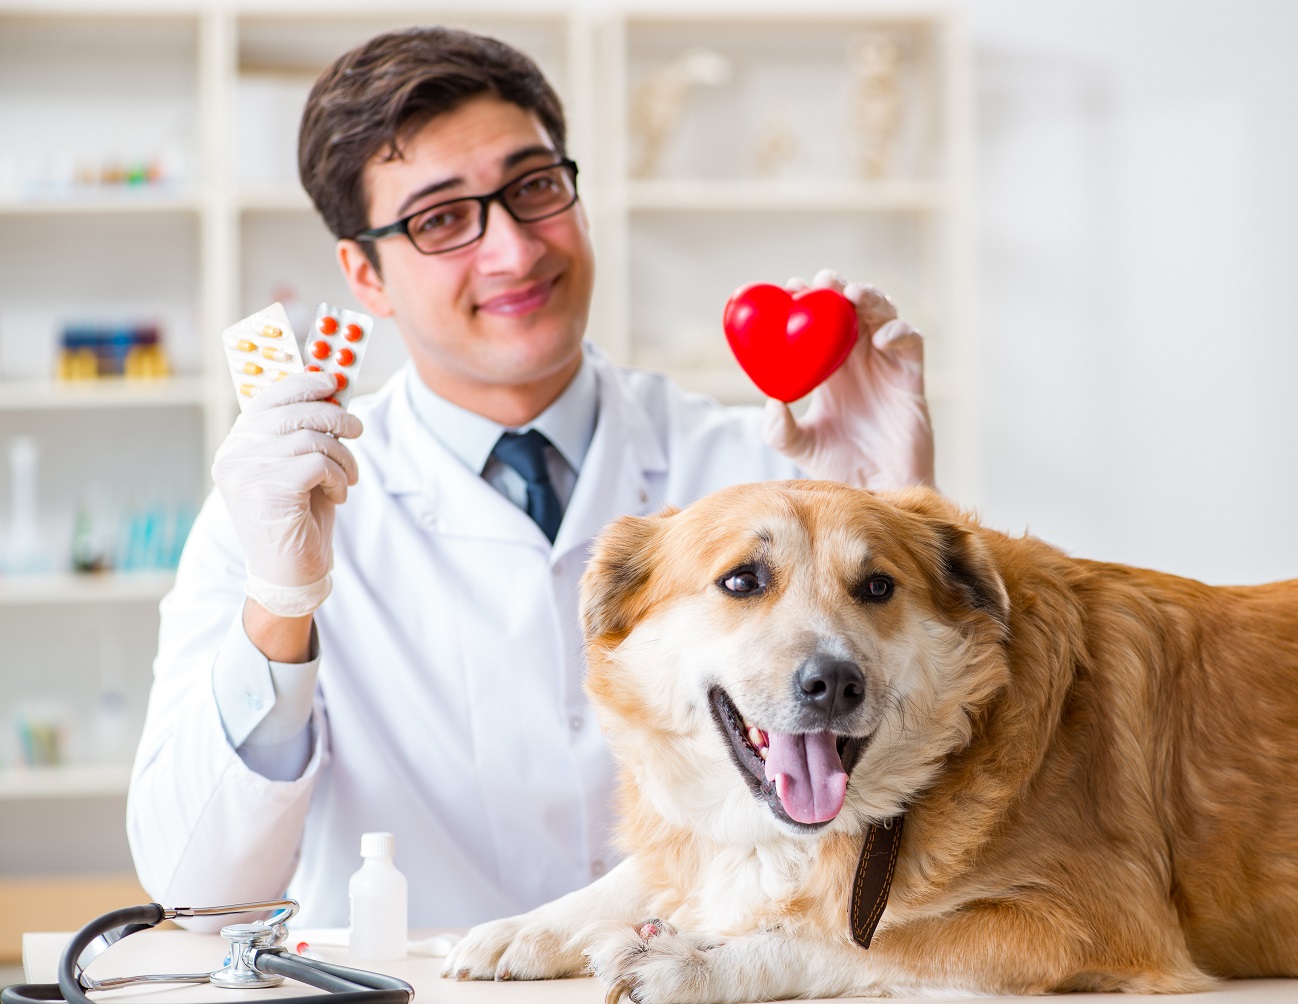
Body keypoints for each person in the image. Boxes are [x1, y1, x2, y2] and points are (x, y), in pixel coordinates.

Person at [128, 26, 933, 930]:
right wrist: (280, 602)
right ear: (366, 275)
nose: (514, 251)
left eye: (535, 187)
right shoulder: (278, 507)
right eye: (440, 219)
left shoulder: (765, 473)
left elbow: (952, 816)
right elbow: (197, 890)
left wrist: (899, 507)